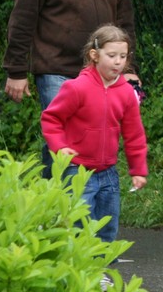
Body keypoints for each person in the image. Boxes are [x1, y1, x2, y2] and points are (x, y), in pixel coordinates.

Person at [3, 0, 138, 175]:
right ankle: (64, 199)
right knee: (61, 136)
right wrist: (16, 70)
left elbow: (125, 25)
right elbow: (22, 19)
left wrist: (129, 69)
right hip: (57, 69)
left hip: (101, 73)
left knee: (93, 137)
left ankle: (60, 193)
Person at [41, 25, 148, 249]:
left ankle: (102, 263)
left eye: (123, 56)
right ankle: (77, 263)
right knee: (77, 224)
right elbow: (51, 119)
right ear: (94, 55)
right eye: (112, 56)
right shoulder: (76, 88)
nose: (118, 62)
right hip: (78, 170)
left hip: (108, 171)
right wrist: (59, 147)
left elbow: (134, 134)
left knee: (107, 225)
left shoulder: (126, 92)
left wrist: (138, 169)